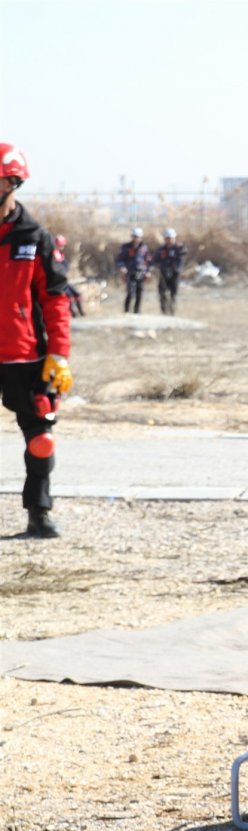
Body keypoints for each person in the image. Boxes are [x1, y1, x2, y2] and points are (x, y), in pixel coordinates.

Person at [0, 143, 73, 538]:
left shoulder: (35, 237)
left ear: (12, 182)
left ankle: (38, 512)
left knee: (41, 438)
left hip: (24, 355)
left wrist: (59, 354)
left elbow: (55, 299)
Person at [115, 226, 150, 314]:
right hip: (130, 272)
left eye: (138, 237)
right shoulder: (125, 247)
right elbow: (120, 259)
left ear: (141, 237)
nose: (136, 239)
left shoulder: (144, 248)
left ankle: (137, 311)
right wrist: (122, 267)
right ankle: (126, 311)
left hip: (141, 272)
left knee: (139, 293)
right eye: (135, 236)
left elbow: (148, 260)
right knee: (130, 292)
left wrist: (148, 271)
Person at [154, 227, 186, 316]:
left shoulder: (178, 248)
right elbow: (155, 259)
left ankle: (172, 311)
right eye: (167, 238)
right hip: (164, 273)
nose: (169, 240)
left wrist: (181, 248)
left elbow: (184, 252)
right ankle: (164, 311)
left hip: (175, 273)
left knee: (173, 293)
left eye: (171, 238)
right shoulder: (161, 249)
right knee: (162, 293)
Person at [52, 234, 84, 317]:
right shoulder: (55, 254)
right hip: (58, 281)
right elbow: (59, 268)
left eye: (62, 245)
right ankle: (73, 313)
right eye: (60, 245)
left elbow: (65, 266)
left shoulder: (60, 254)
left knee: (77, 294)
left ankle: (81, 312)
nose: (62, 247)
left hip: (64, 279)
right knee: (69, 295)